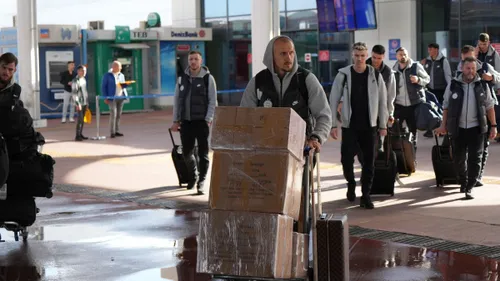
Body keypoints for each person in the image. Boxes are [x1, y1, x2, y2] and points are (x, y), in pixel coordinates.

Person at [240, 35, 332, 152]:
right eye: (283, 53)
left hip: (301, 151)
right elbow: (244, 116)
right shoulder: (258, 81)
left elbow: (324, 115)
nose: (289, 58)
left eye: (291, 53)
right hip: (266, 151)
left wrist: (316, 137)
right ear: (271, 56)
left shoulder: (306, 79)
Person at [330, 42, 388, 209]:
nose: (360, 59)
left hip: (370, 126)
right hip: (350, 126)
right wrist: (333, 124)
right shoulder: (344, 75)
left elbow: (383, 101)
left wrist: (383, 125)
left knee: (369, 162)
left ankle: (366, 195)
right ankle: (350, 183)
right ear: (352, 55)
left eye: (363, 56)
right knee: (346, 160)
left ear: (366, 56)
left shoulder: (375, 75)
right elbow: (333, 100)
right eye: (357, 55)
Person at [435, 57, 497, 200]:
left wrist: (493, 126)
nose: (471, 71)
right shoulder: (453, 84)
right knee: (458, 158)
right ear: (462, 68)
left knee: (475, 159)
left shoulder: (482, 85)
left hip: (476, 128)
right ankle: (463, 181)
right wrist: (443, 125)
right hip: (458, 128)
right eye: (468, 68)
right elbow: (446, 106)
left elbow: (489, 106)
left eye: (473, 68)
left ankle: (470, 186)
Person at [170, 51, 217, 195]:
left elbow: (213, 101)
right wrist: (176, 120)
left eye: (196, 59)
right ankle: (194, 175)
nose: (193, 62)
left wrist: (208, 119)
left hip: (202, 122)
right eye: (191, 59)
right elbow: (177, 101)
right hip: (186, 122)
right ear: (188, 61)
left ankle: (201, 182)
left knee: (203, 154)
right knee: (186, 153)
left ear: (200, 61)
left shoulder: (208, 78)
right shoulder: (181, 79)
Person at [457, 45, 500, 186]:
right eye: (464, 59)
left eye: (470, 57)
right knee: (464, 150)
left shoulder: (485, 66)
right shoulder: (458, 70)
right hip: (464, 116)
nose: (467, 62)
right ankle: (468, 175)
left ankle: (478, 175)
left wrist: (492, 77)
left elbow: (498, 79)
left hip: (485, 110)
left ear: (475, 55)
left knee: (483, 146)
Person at [392, 47, 430, 151]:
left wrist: (418, 80)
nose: (403, 56)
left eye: (404, 54)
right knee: (396, 130)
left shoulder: (416, 66)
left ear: (407, 55)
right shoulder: (394, 69)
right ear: (396, 56)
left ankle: (412, 153)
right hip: (399, 105)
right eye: (400, 55)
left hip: (414, 104)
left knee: (413, 131)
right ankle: (399, 152)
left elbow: (427, 79)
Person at [101, 61, 128, 138]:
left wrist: (126, 85)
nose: (120, 68)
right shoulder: (107, 75)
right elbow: (103, 87)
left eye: (120, 67)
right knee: (113, 114)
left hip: (121, 97)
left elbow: (123, 85)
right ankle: (112, 132)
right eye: (118, 66)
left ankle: (117, 130)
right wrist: (105, 97)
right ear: (113, 67)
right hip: (112, 98)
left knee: (118, 115)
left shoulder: (121, 75)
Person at [72, 65, 89, 141]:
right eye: (83, 71)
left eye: (85, 71)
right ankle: (77, 135)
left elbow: (85, 92)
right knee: (80, 119)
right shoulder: (76, 81)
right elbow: (74, 93)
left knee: (82, 120)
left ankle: (80, 133)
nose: (84, 72)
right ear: (78, 71)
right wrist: (77, 103)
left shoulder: (83, 79)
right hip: (79, 103)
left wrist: (87, 102)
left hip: (84, 102)